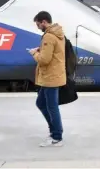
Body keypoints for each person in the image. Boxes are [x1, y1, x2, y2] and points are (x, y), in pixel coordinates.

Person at [29, 11, 67, 147]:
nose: (38, 27)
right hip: (52, 76)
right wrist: (41, 49)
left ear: (44, 22)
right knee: (41, 103)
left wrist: (34, 53)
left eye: (38, 24)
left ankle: (57, 136)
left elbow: (44, 60)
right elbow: (55, 52)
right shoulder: (58, 34)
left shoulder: (49, 37)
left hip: (50, 77)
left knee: (52, 107)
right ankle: (54, 131)